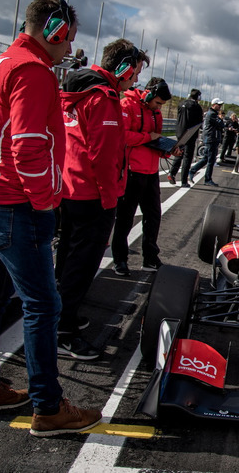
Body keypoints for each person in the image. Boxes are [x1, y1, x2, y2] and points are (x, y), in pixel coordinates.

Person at [0, 0, 102, 435]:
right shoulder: (33, 71)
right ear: (55, 30)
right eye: (68, 39)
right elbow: (27, 145)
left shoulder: (1, 63)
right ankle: (48, 406)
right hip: (13, 204)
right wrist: (45, 200)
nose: (69, 49)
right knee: (43, 304)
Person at [55, 39, 145, 360]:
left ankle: (62, 315)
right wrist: (111, 200)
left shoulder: (77, 88)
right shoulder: (104, 99)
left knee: (67, 257)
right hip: (93, 194)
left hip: (69, 188)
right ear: (122, 68)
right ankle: (63, 332)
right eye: (133, 73)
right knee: (82, 264)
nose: (135, 80)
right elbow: (105, 157)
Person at [111, 77, 174, 277]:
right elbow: (122, 136)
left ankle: (150, 258)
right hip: (131, 171)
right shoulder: (126, 105)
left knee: (154, 216)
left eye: (162, 105)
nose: (159, 107)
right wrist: (149, 138)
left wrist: (168, 149)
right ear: (148, 93)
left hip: (151, 171)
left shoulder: (156, 112)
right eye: (157, 103)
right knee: (125, 218)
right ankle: (119, 259)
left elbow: (156, 139)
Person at [168, 88, 203, 187]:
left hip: (179, 132)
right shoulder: (196, 106)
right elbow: (199, 123)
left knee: (178, 153)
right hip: (190, 134)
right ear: (198, 97)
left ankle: (172, 173)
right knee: (187, 157)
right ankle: (184, 181)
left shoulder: (181, 104)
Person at [188, 97, 225, 186]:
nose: (220, 106)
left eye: (220, 105)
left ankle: (193, 171)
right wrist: (220, 121)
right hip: (211, 139)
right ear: (214, 105)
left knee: (206, 158)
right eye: (218, 105)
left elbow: (221, 125)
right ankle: (207, 179)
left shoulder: (213, 114)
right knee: (210, 160)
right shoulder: (212, 114)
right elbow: (221, 124)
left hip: (212, 138)